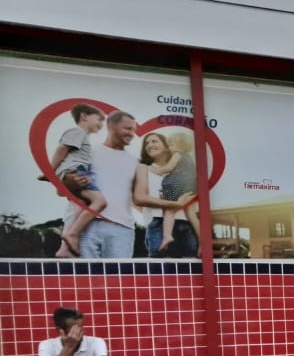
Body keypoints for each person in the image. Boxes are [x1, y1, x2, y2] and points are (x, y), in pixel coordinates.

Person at [59, 111, 194, 258]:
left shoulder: (136, 162)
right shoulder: (88, 153)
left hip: (122, 230)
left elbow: (140, 198)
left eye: (134, 130)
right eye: (127, 129)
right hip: (88, 227)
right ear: (111, 126)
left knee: (119, 279)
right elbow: (61, 189)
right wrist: (69, 181)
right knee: (86, 279)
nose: (131, 134)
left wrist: (174, 204)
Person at [42, 103, 108, 258]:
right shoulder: (77, 132)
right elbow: (61, 150)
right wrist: (50, 172)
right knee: (100, 202)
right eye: (99, 119)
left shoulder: (82, 137)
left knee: (78, 208)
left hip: (76, 171)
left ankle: (65, 249)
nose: (101, 124)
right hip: (77, 172)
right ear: (84, 116)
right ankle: (72, 234)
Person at [139, 131, 199, 255]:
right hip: (161, 219)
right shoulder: (189, 160)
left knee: (169, 210)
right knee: (191, 214)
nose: (150, 145)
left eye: (154, 141)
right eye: (147, 143)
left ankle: (167, 236)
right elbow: (138, 198)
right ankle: (203, 243)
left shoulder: (177, 156)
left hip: (184, 223)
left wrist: (156, 171)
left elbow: (167, 170)